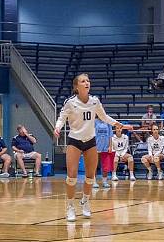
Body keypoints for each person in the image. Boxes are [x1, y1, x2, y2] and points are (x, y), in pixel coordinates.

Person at [54, 73, 132, 221]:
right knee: (72, 176)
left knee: (90, 176)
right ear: (77, 86)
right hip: (75, 140)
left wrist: (118, 124)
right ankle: (70, 206)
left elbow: (104, 117)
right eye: (83, 81)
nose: (87, 83)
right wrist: (57, 127)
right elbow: (62, 117)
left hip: (90, 141)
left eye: (88, 81)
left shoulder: (95, 101)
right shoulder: (70, 102)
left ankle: (85, 201)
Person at [94, 117, 113, 188]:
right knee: (94, 165)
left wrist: (110, 146)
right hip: (96, 146)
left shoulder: (108, 122)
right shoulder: (94, 121)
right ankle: (94, 181)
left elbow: (110, 135)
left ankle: (105, 181)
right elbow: (92, 135)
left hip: (106, 146)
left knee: (105, 165)